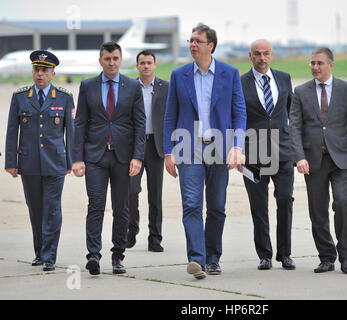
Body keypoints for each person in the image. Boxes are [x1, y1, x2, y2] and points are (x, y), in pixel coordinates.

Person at [163, 23, 246, 279]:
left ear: (210, 45)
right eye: (190, 40)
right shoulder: (179, 75)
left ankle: (213, 258)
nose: (192, 45)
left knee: (217, 206)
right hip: (188, 148)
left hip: (220, 148)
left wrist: (237, 146)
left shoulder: (230, 73)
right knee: (191, 204)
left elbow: (239, 112)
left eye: (198, 40)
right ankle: (196, 259)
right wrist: (169, 152)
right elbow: (170, 116)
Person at [289, 47, 347, 274]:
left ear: (331, 65)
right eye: (312, 63)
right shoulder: (301, 91)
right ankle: (326, 257)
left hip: (341, 158)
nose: (315, 67)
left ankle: (345, 256)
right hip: (313, 160)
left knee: (342, 203)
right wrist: (299, 157)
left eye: (319, 63)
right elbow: (294, 127)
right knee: (318, 210)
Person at [72, 42, 146, 275]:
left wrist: (138, 156)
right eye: (107, 59)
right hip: (95, 156)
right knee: (95, 205)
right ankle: (93, 255)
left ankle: (118, 256)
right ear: (100, 60)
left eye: (115, 58)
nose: (111, 62)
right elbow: (80, 122)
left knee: (121, 208)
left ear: (121, 60)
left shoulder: (133, 86)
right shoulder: (88, 86)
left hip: (124, 158)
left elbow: (140, 123)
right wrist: (77, 158)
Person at [5, 50, 74, 272]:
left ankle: (49, 256)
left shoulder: (64, 97)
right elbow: (11, 131)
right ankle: (39, 252)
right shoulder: (20, 96)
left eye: (45, 70)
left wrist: (70, 162)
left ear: (53, 73)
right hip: (29, 164)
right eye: (36, 70)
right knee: (35, 209)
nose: (40, 74)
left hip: (55, 163)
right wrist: (11, 161)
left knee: (52, 209)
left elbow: (71, 132)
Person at [240, 39, 295, 271]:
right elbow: (236, 117)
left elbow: (291, 113)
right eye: (257, 54)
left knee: (285, 201)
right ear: (250, 56)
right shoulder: (240, 82)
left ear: (271, 55)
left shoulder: (284, 78)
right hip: (253, 154)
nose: (262, 58)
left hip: (283, 152)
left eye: (266, 54)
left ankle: (285, 254)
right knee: (259, 206)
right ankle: (264, 255)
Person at [126, 50, 168, 252]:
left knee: (155, 194)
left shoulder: (165, 87)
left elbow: (172, 118)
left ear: (155, 64)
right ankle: (131, 229)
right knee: (131, 190)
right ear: (137, 66)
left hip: (156, 146)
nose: (146, 66)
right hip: (135, 146)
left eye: (149, 62)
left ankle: (155, 237)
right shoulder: (129, 87)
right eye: (142, 63)